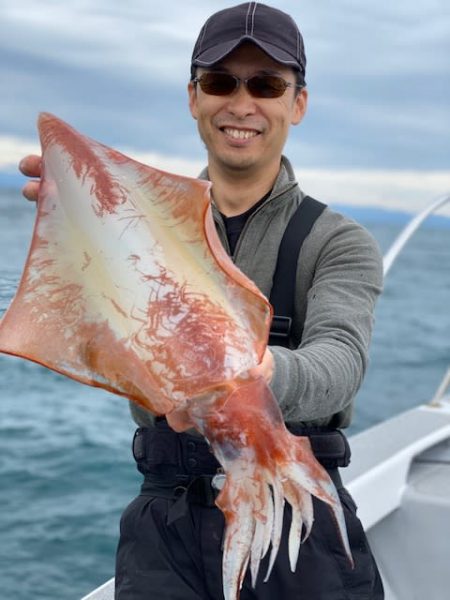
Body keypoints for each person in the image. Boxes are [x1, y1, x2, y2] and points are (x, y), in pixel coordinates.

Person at [19, 3, 385, 598]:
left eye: (266, 84)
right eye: (221, 82)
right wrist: (78, 245)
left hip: (296, 517)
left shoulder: (338, 242)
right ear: (194, 97)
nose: (242, 104)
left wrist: (257, 375)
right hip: (166, 519)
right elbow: (115, 363)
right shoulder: (139, 235)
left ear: (297, 103)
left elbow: (340, 363)